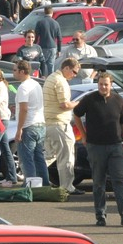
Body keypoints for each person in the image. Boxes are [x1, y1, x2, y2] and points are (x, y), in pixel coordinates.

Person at [73, 73, 123, 226]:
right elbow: (76, 115)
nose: (103, 87)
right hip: (95, 147)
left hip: (116, 146)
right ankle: (100, 215)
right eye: (101, 84)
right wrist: (84, 135)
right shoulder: (89, 99)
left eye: (106, 84)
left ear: (111, 85)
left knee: (119, 180)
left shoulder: (118, 100)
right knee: (98, 182)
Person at [43, 57, 83, 194]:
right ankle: (67, 187)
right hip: (60, 123)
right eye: (74, 72)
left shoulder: (51, 78)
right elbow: (65, 105)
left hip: (49, 123)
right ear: (66, 68)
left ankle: (34, 177)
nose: (75, 75)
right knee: (66, 157)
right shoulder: (61, 81)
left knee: (50, 155)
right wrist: (79, 103)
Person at [13, 60, 50, 183]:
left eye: (15, 70)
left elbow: (24, 109)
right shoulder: (36, 84)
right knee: (39, 157)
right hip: (40, 124)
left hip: (28, 125)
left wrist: (19, 129)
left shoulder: (23, 87)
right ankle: (44, 184)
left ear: (22, 71)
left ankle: (30, 185)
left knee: (26, 158)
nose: (13, 73)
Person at [34, 6, 62, 77]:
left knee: (41, 64)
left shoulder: (40, 22)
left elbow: (36, 36)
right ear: (52, 13)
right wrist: (59, 50)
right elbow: (59, 38)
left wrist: (34, 45)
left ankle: (41, 78)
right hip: (53, 47)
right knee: (51, 66)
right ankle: (51, 79)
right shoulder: (56, 23)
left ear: (44, 12)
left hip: (42, 46)